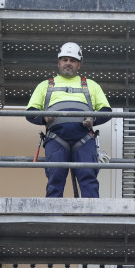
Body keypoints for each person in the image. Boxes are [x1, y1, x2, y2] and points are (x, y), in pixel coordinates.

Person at [26, 42, 111, 198]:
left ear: (79, 64)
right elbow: (30, 113)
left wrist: (93, 120)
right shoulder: (45, 86)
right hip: (56, 139)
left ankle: (92, 219)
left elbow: (106, 111)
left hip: (84, 138)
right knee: (55, 178)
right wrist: (44, 118)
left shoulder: (91, 85)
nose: (68, 63)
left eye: (72, 60)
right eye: (64, 60)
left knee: (88, 179)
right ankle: (53, 219)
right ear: (59, 63)